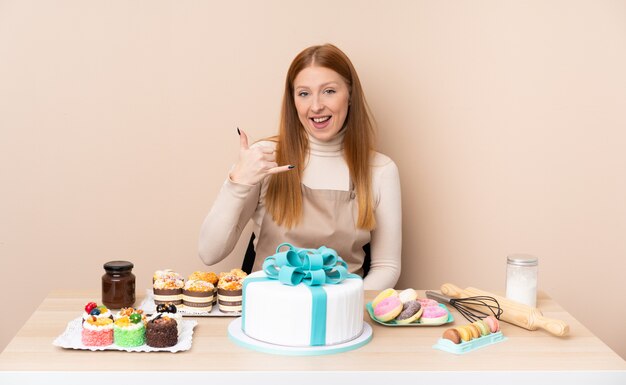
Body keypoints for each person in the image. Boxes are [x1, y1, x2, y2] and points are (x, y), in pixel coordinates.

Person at [198, 44, 401, 290]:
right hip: (267, 316)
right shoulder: (264, 157)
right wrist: (237, 183)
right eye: (304, 94)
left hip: (340, 320)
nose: (315, 106)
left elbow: (386, 266)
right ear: (293, 100)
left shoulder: (380, 170)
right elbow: (209, 253)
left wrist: (340, 306)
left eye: (328, 91)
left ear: (350, 94)